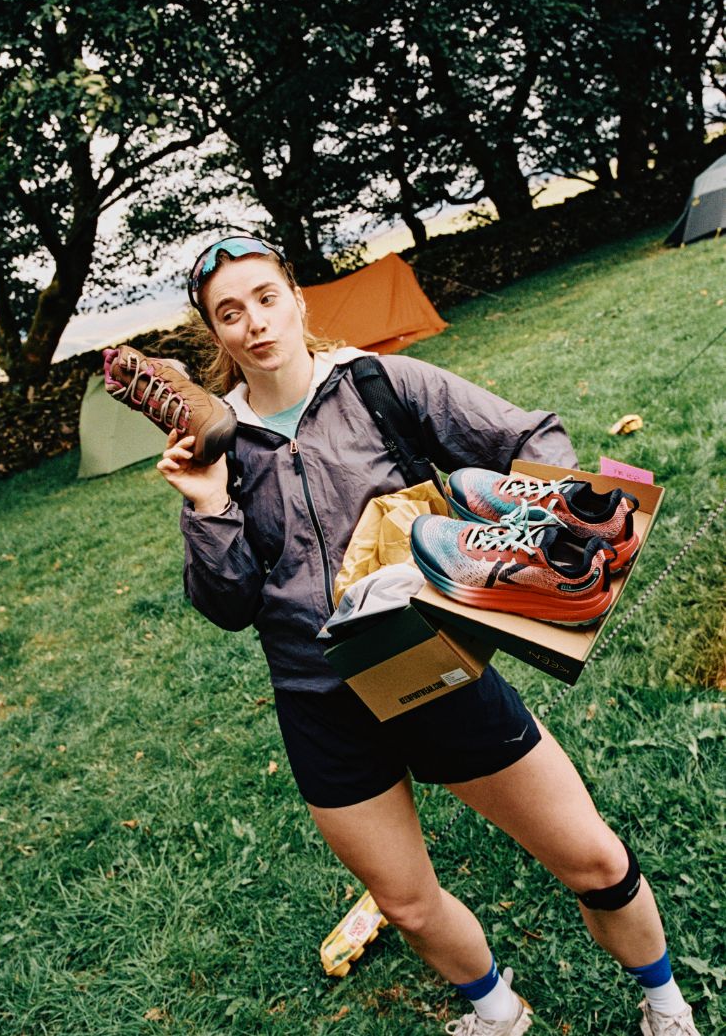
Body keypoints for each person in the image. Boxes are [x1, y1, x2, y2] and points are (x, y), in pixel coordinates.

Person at [156, 235, 700, 1036]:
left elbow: (528, 436)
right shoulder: (217, 445)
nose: (254, 324)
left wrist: (521, 543)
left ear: (296, 298)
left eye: (265, 298)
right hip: (319, 701)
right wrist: (207, 504)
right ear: (217, 334)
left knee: (595, 863)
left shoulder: (379, 384)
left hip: (429, 663)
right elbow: (227, 603)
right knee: (406, 905)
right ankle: (496, 1014)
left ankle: (665, 1007)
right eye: (229, 313)